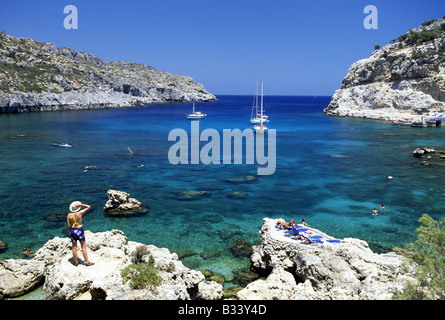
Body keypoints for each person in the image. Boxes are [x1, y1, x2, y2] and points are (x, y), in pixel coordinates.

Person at [67, 201, 94, 266]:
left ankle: (76, 262)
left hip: (72, 230)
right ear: (77, 208)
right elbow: (88, 207)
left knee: (74, 247)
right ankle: (87, 262)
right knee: (83, 247)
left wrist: (70, 232)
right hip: (79, 230)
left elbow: (68, 225)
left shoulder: (69, 215)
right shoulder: (79, 213)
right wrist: (80, 204)